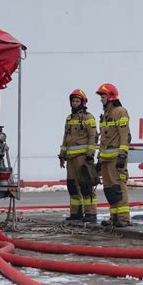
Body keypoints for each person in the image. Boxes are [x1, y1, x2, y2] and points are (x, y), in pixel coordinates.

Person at [59, 89, 98, 223]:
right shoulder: (69, 118)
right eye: (73, 101)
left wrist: (90, 154)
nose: (75, 103)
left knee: (86, 185)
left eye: (77, 101)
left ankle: (90, 214)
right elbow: (66, 138)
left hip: (82, 157)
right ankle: (75, 213)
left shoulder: (88, 118)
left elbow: (93, 137)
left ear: (83, 102)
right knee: (72, 186)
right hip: (70, 158)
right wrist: (62, 155)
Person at [96, 83, 131, 228]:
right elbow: (103, 140)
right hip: (106, 159)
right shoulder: (105, 115)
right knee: (109, 190)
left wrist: (122, 155)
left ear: (110, 97)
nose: (101, 99)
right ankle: (114, 217)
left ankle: (123, 218)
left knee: (118, 188)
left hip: (116, 159)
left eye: (103, 96)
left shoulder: (120, 112)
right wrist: (99, 158)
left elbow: (125, 136)